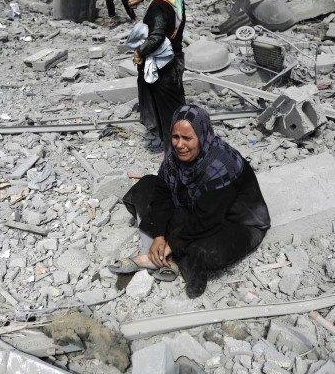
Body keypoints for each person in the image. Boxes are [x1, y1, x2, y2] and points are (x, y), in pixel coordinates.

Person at [111, 105, 272, 298]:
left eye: (187, 138)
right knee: (147, 186)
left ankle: (170, 260)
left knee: (203, 251)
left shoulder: (222, 165)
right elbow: (163, 192)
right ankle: (171, 260)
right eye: (175, 137)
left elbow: (208, 219)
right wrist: (160, 236)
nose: (179, 144)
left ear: (202, 136)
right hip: (196, 205)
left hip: (235, 221)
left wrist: (172, 243)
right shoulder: (175, 155)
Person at [128, 0, 186, 149]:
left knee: (168, 112)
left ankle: (175, 152)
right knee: (177, 106)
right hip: (176, 59)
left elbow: (157, 36)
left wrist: (140, 52)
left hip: (163, 68)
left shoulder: (158, 7)